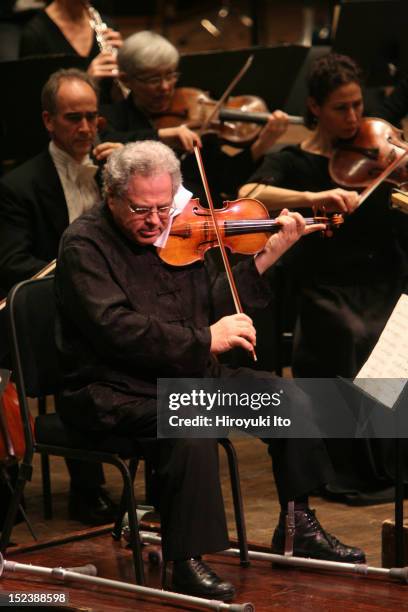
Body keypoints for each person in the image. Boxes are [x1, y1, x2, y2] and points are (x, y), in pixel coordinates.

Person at [54, 140, 365, 601]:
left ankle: (297, 525)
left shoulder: (177, 233)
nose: (156, 221)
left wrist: (268, 254)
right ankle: (185, 561)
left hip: (187, 372)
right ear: (112, 196)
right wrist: (207, 339)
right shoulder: (84, 245)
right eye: (141, 209)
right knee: (191, 422)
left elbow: (212, 303)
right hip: (116, 390)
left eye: (164, 207)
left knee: (290, 400)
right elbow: (116, 329)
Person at [239, 53, 408, 501]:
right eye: (341, 108)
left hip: (387, 278)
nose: (354, 118)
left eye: (358, 105)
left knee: (398, 331)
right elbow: (250, 193)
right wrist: (314, 195)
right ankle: (358, 465)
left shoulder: (382, 152)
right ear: (315, 108)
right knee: (353, 334)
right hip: (328, 287)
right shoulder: (294, 161)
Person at [0, 68, 122, 525]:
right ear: (49, 120)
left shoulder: (115, 172)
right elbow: (14, 264)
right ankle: (88, 488)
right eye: (74, 118)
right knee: (89, 355)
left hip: (111, 309)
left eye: (93, 117)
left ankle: (154, 468)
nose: (86, 129)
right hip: (53, 315)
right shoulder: (19, 186)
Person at [99, 30, 289, 205]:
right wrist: (163, 135)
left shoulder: (194, 115)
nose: (165, 87)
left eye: (171, 75)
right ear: (125, 80)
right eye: (153, 80)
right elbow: (107, 142)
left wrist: (262, 144)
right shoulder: (112, 116)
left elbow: (226, 180)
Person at [19, 0, 123, 102]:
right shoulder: (35, 34)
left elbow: (115, 96)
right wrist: (88, 81)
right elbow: (34, 99)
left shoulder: (107, 25)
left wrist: (125, 65)